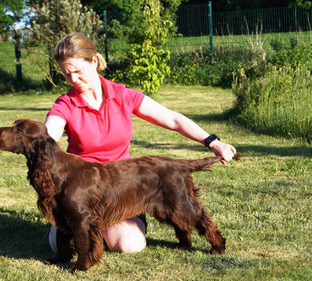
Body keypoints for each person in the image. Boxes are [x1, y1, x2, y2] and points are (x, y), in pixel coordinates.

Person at [44, 32, 237, 255]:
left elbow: (172, 118)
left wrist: (212, 142)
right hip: (82, 191)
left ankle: (101, 230)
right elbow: (49, 134)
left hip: (123, 189)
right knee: (60, 247)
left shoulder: (122, 95)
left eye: (78, 71)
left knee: (129, 245)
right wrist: (42, 141)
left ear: (94, 61)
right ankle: (87, 228)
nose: (73, 80)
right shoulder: (66, 104)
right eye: (67, 74)